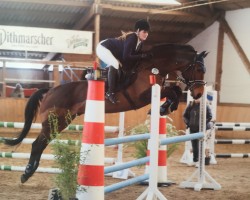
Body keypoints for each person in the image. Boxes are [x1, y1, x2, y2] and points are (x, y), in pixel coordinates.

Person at [96, 19, 152, 104]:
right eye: (144, 32)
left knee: (118, 66)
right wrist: (142, 56)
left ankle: (109, 85)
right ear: (137, 31)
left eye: (147, 32)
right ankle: (110, 93)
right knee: (115, 64)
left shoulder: (140, 43)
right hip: (103, 47)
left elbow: (134, 59)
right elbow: (126, 57)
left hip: (111, 51)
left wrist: (145, 56)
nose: (146, 34)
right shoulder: (133, 38)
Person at [183, 98, 213, 167]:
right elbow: (185, 115)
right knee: (194, 145)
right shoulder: (190, 105)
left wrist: (202, 124)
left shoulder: (205, 105)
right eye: (196, 98)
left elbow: (210, 116)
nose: (197, 99)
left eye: (198, 98)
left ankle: (200, 161)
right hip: (192, 128)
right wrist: (188, 123)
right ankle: (195, 160)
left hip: (201, 129)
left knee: (200, 145)